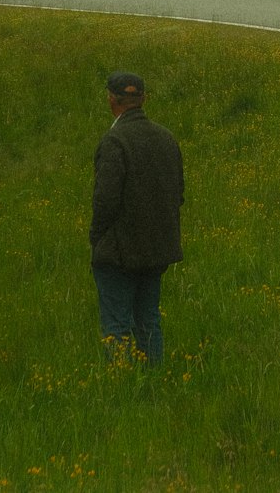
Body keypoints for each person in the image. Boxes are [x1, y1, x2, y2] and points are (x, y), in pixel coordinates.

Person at [90, 71, 184, 364]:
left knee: (117, 326)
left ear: (111, 100)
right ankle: (154, 383)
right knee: (149, 320)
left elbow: (105, 202)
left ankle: (121, 391)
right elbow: (178, 195)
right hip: (157, 249)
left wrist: (97, 238)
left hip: (118, 251)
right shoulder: (167, 138)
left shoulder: (114, 141)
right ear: (143, 100)